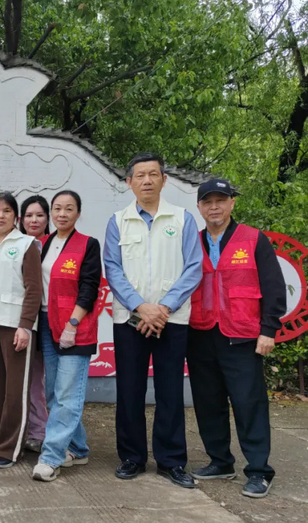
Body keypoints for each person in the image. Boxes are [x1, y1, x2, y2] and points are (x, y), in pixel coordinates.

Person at [103, 152, 202, 488]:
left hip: (171, 320)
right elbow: (113, 269)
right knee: (129, 390)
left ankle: (171, 461)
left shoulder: (183, 218)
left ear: (164, 179)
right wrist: (141, 307)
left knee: (171, 391)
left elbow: (193, 268)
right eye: (139, 175)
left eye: (153, 174)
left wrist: (164, 308)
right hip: (130, 319)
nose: (146, 180)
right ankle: (132, 457)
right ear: (129, 182)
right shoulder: (118, 220)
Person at [188, 179, 286, 498]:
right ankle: (220, 462)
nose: (214, 206)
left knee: (248, 403)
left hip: (242, 335)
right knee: (207, 402)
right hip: (201, 333)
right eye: (208, 201)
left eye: (221, 200)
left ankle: (258, 470)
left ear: (232, 204)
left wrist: (268, 329)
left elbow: (273, 287)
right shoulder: (193, 241)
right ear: (200, 207)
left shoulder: (253, 239)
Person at [32, 191, 102, 482]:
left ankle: (51, 456)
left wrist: (73, 323)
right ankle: (78, 447)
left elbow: (90, 286)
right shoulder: (44, 243)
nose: (62, 214)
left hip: (75, 324)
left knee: (68, 393)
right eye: (57, 208)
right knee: (53, 391)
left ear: (78, 213)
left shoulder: (88, 245)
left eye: (69, 208)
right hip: (47, 322)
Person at [0, 192, 42, 468]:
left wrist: (25, 326)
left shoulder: (26, 244)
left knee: (15, 391)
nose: (0, 216)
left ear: (15, 217)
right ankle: (0, 441)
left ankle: (10, 450)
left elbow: (34, 289)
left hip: (14, 326)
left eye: (6, 211)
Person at [20, 195, 51, 454]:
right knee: (28, 379)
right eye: (29, 215)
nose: (34, 220)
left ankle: (41, 431)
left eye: (39, 215)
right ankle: (30, 429)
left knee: (41, 380)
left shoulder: (54, 245)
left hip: (49, 319)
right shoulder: (17, 244)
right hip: (23, 320)